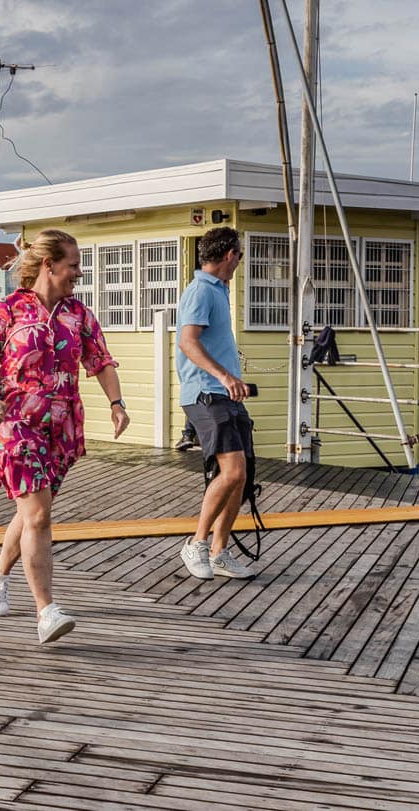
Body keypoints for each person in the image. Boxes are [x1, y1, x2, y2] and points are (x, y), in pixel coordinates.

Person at [0, 228, 129, 644]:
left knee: (32, 511)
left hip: (62, 427)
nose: (78, 272)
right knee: (38, 514)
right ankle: (46, 612)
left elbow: (101, 361)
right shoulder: (9, 311)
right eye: (73, 265)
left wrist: (116, 403)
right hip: (16, 423)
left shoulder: (79, 315)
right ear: (49, 265)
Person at [176, 226, 258, 581]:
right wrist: (225, 376)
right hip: (205, 393)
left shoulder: (220, 290)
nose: (241, 260)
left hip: (226, 395)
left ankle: (220, 552)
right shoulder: (200, 291)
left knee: (241, 477)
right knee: (233, 471)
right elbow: (187, 343)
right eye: (240, 254)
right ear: (229, 255)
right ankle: (196, 543)